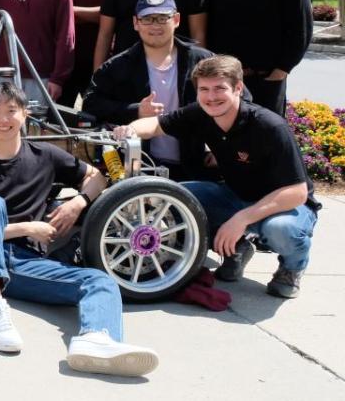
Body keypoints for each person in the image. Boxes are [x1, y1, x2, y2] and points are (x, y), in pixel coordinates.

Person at [0, 82, 159, 376]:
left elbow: (96, 177)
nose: (3, 119)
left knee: (99, 281)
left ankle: (96, 339)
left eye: (11, 111)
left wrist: (79, 202)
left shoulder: (44, 154)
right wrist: (29, 227)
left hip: (24, 262)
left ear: (25, 114)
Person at [114, 55, 320, 299]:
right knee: (176, 197)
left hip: (284, 206)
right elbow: (156, 125)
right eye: (204, 89)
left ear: (238, 88)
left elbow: (296, 192)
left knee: (281, 230)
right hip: (235, 195)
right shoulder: (202, 112)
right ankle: (236, 249)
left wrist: (242, 219)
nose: (211, 97)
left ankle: (291, 269)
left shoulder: (270, 126)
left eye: (220, 88)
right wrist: (130, 130)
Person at [83, 0, 215, 179]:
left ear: (176, 19)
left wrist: (220, 146)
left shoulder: (202, 61)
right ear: (136, 23)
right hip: (142, 166)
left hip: (196, 166)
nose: (155, 25)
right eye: (148, 19)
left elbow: (238, 102)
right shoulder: (119, 65)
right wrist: (135, 110)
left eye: (162, 18)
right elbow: (91, 103)